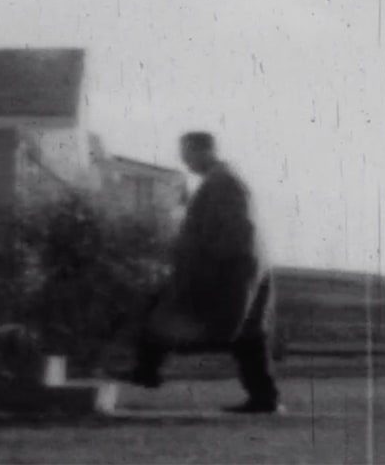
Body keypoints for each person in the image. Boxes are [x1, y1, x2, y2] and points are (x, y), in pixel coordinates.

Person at [117, 132, 281, 414]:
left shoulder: (224, 183)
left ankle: (148, 370)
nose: (185, 161)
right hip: (236, 269)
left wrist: (207, 265)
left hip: (228, 269)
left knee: (165, 313)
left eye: (188, 154)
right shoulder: (221, 181)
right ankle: (264, 397)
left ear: (205, 151)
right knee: (248, 336)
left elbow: (236, 231)